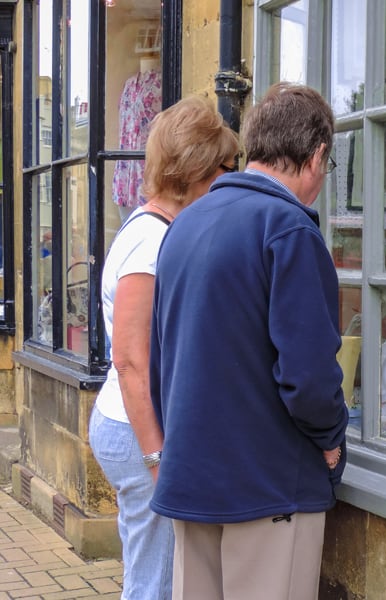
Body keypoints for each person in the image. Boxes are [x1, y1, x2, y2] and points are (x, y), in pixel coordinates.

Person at [149, 82, 349, 600]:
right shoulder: (288, 230)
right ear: (317, 155)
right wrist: (331, 440)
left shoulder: (183, 225)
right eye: (327, 166)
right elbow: (307, 377)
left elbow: (161, 359)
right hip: (268, 488)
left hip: (192, 477)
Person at [89, 95, 240, 600]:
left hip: (133, 427)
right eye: (227, 166)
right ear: (200, 168)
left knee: (155, 572)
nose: (229, 178)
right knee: (154, 582)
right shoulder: (152, 241)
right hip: (137, 434)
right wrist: (159, 459)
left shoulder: (157, 229)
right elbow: (131, 361)